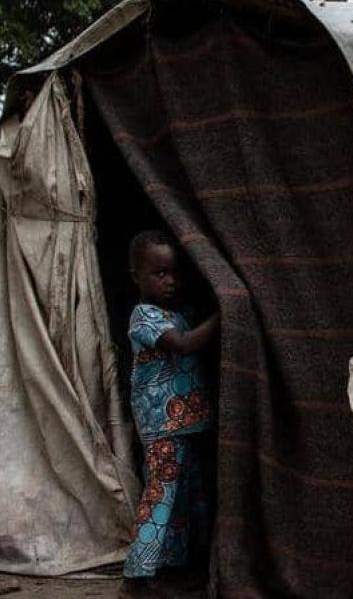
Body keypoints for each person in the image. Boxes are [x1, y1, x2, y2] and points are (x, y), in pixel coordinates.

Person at [119, 230, 219, 598]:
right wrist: (227, 310)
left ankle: (170, 568)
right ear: (136, 276)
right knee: (160, 495)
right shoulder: (143, 317)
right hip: (161, 426)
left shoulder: (178, 313)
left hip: (187, 423)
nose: (170, 281)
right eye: (159, 273)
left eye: (174, 273)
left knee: (183, 498)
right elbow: (182, 345)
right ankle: (136, 577)